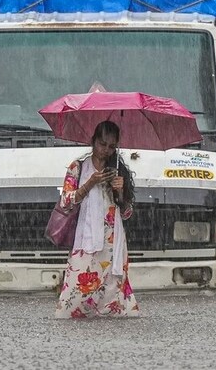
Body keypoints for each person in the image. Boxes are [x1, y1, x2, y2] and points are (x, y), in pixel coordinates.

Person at [54, 120, 139, 318]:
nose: (106, 150)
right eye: (102, 144)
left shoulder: (117, 170)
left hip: (112, 241)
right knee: (77, 288)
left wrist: (120, 193)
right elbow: (66, 202)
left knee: (112, 289)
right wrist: (90, 183)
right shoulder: (78, 168)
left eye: (111, 146)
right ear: (93, 141)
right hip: (85, 237)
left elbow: (127, 213)